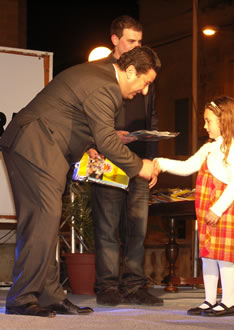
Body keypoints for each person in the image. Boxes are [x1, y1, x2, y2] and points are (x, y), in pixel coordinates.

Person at [0, 46, 161, 318]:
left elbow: (75, 118)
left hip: (43, 145)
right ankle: (21, 297)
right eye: (145, 83)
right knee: (43, 216)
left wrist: (93, 141)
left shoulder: (100, 77)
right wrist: (138, 166)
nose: (144, 91)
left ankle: (49, 294)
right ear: (131, 71)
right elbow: (107, 140)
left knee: (47, 218)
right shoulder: (106, 86)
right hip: (35, 143)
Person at [153, 96, 234, 317]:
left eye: (208, 121)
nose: (205, 126)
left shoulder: (233, 148)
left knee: (224, 257)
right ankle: (209, 300)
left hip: (222, 209)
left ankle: (228, 302)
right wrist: (161, 163)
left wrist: (217, 209)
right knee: (208, 255)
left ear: (224, 120)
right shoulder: (209, 148)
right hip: (206, 208)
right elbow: (188, 166)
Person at [88, 15, 163, 307]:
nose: (136, 46)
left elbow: (152, 116)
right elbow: (86, 117)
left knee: (138, 226)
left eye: (139, 42)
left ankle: (134, 285)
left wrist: (153, 160)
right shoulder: (96, 72)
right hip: (106, 157)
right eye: (131, 41)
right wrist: (97, 141)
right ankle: (107, 286)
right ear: (115, 40)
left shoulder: (147, 73)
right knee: (107, 225)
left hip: (139, 160)